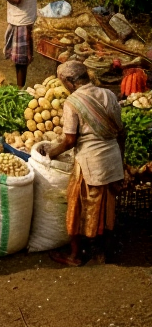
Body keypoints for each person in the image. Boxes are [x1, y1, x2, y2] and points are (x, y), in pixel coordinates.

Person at [46, 61, 126, 266]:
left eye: (63, 81)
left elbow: (70, 140)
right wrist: (121, 161)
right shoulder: (108, 94)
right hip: (112, 159)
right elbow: (120, 130)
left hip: (90, 163)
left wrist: (51, 153)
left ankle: (75, 255)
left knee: (78, 207)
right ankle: (103, 252)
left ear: (71, 81)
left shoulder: (73, 102)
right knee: (106, 208)